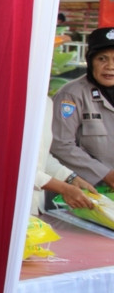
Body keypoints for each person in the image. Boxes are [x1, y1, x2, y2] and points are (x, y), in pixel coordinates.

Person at [51, 26, 114, 189]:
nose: (110, 66)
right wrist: (104, 173)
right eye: (102, 59)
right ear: (90, 60)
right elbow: (60, 144)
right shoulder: (72, 95)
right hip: (85, 191)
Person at [33, 98, 95, 215]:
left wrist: (71, 178)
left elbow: (41, 156)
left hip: (35, 208)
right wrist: (63, 189)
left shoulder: (46, 102)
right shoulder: (9, 102)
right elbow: (13, 168)